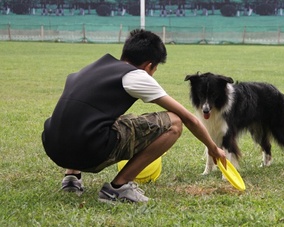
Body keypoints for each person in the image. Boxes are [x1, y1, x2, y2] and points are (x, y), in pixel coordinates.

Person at [41, 29, 227, 203]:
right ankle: (119, 187)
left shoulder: (90, 69)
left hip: (54, 147)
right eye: (154, 70)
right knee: (174, 123)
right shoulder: (136, 75)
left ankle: (71, 177)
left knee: (91, 117)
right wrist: (213, 148)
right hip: (90, 150)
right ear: (149, 66)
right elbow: (188, 118)